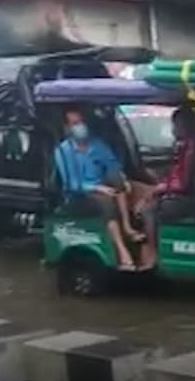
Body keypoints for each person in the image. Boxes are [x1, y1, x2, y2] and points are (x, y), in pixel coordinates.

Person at [54, 109, 154, 271]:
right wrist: (98, 188)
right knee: (106, 201)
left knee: (116, 180)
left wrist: (122, 180)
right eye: (75, 124)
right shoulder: (63, 151)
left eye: (81, 122)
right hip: (78, 195)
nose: (80, 127)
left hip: (103, 187)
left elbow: (113, 166)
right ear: (67, 128)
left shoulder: (97, 145)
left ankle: (128, 228)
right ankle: (122, 252)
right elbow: (71, 183)